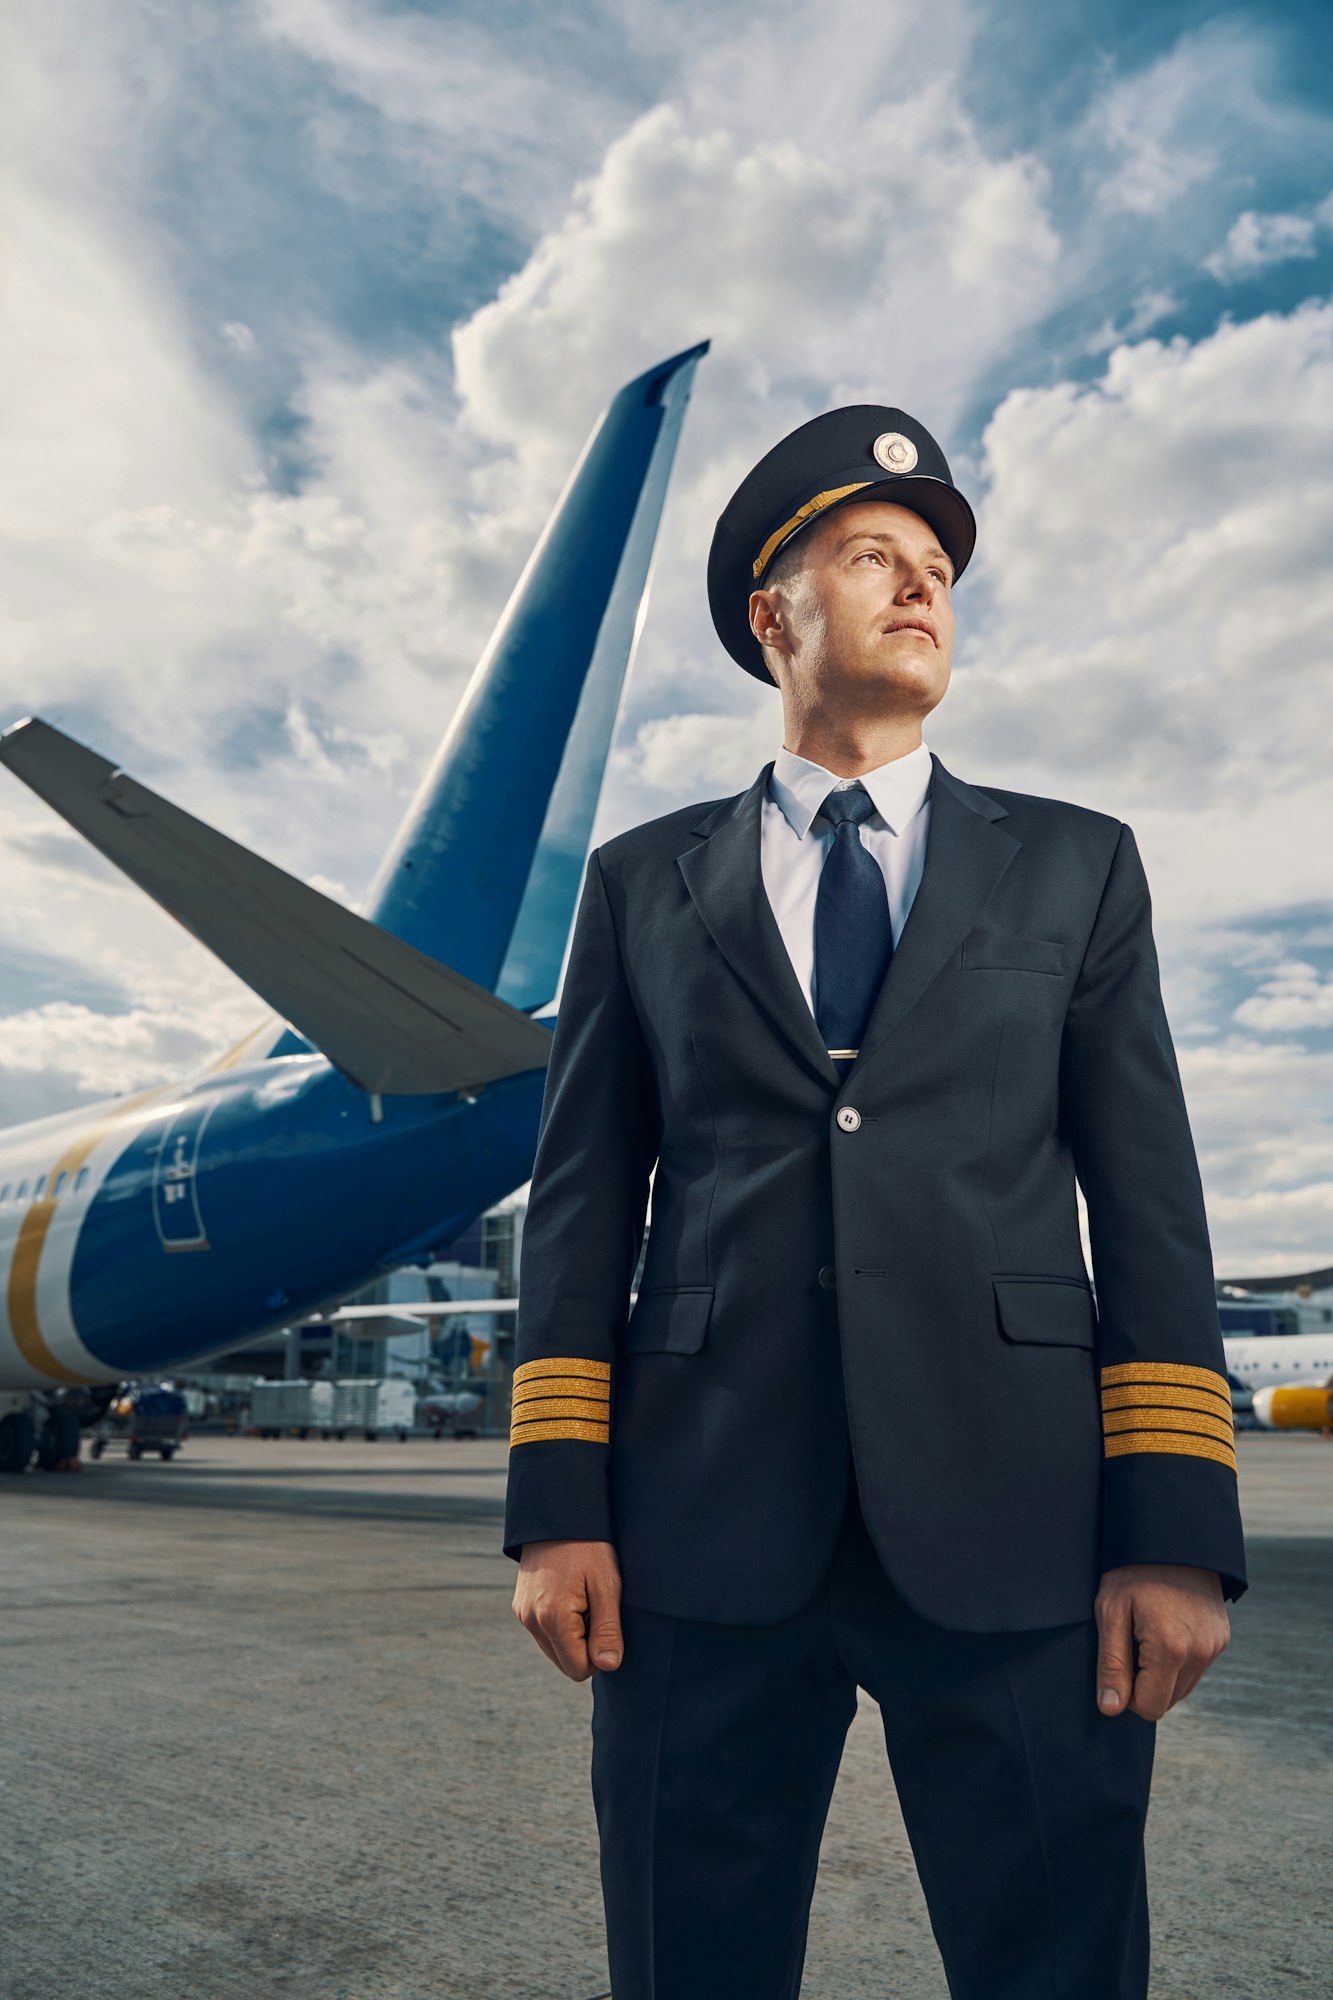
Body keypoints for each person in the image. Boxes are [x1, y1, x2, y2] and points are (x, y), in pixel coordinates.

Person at [503, 404, 1247, 1999]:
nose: (918, 588)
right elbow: (579, 1202)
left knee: (1054, 1960)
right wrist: (558, 1504)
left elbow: (1150, 1204)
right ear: (772, 619)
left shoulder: (1075, 866)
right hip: (695, 1525)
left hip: (1022, 1526)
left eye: (934, 570)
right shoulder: (642, 881)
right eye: (868, 558)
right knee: (688, 1958)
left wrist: (1174, 1530)